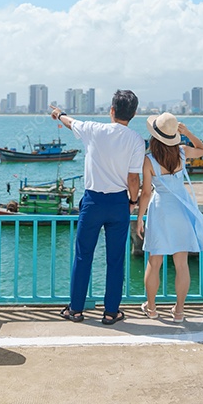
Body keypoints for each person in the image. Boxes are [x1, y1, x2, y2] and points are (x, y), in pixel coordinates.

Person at [51, 90, 145, 325]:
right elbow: (134, 179)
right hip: (119, 203)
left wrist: (58, 113)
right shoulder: (136, 140)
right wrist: (132, 202)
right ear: (133, 114)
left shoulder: (93, 129)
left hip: (92, 202)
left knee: (83, 256)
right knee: (115, 260)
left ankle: (76, 310)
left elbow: (70, 121)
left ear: (111, 110)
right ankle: (111, 312)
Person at [136, 112, 203, 323]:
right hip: (181, 210)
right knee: (181, 264)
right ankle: (179, 311)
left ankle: (151, 308)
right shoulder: (181, 153)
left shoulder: (149, 160)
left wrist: (140, 218)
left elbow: (145, 193)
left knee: (154, 262)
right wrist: (187, 132)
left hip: (160, 211)